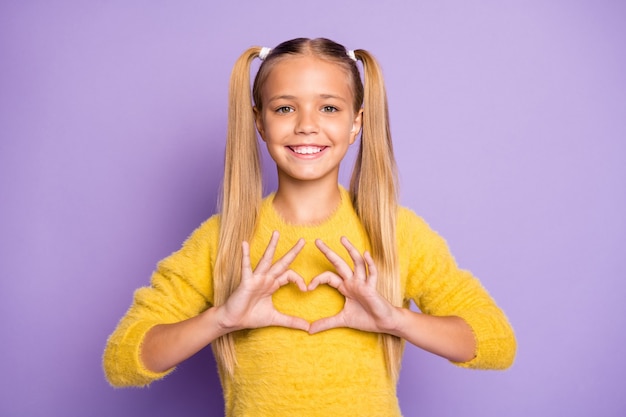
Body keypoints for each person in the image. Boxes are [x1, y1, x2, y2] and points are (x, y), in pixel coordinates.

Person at [103, 37, 516, 416]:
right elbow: (123, 361)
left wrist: (394, 319)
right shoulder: (223, 240)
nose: (306, 124)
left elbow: (496, 342)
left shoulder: (395, 232)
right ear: (259, 121)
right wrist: (222, 319)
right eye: (285, 107)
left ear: (356, 122)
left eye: (329, 107)